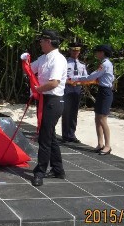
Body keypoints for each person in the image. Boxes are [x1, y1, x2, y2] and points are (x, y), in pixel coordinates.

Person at [21, 29, 67, 187]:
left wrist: (37, 89)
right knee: (50, 136)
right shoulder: (43, 58)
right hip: (43, 99)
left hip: (53, 101)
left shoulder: (58, 59)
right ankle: (58, 169)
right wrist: (25, 61)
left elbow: (54, 82)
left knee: (44, 137)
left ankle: (39, 172)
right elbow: (29, 69)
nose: (40, 43)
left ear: (49, 42)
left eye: (42, 40)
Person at [73, 44, 114, 155]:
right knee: (97, 118)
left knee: (102, 119)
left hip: (106, 92)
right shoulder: (104, 64)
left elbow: (91, 77)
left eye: (98, 52)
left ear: (103, 53)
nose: (96, 54)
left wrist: (75, 79)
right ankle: (100, 143)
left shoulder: (105, 64)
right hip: (102, 91)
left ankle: (108, 145)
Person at [62, 42, 88, 143]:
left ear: (79, 52)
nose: (75, 52)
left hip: (77, 88)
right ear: (70, 51)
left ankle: (72, 134)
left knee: (74, 112)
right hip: (67, 87)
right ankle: (65, 135)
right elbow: (61, 76)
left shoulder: (82, 64)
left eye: (77, 50)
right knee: (66, 112)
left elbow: (85, 77)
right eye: (73, 50)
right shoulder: (65, 63)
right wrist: (69, 82)